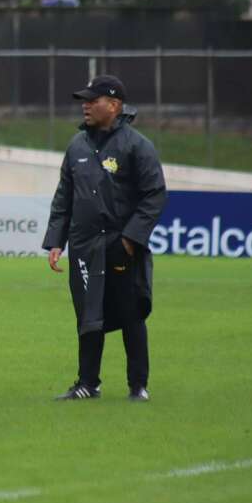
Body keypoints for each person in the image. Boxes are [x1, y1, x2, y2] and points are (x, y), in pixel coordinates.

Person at [42, 75, 167, 402]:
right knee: (87, 314)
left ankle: (138, 386)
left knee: (130, 314)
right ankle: (87, 383)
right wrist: (56, 240)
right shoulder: (77, 146)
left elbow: (154, 195)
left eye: (92, 100)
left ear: (113, 105)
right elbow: (63, 196)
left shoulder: (137, 146)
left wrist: (129, 241)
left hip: (120, 247)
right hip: (83, 247)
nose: (85, 105)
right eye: (83, 100)